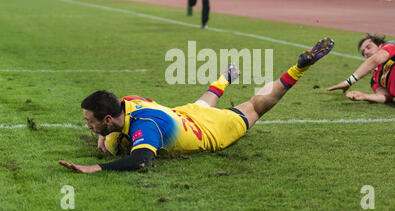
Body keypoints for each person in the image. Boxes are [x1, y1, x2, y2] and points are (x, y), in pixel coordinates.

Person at [58, 38, 335, 173]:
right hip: (185, 114)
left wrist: (96, 168)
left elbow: (141, 161)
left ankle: (298, 69)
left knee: (255, 106)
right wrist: (101, 136)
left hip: (213, 130)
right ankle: (225, 77)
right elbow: (121, 115)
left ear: (108, 118)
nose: (87, 125)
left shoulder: (146, 128)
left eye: (89, 121)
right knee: (202, 102)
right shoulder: (127, 102)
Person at [327, 34, 395, 112]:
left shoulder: (391, 45)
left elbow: (376, 59)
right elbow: (386, 97)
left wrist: (349, 81)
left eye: (368, 47)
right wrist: (363, 96)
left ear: (380, 45)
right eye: (363, 52)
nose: (365, 52)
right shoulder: (375, 79)